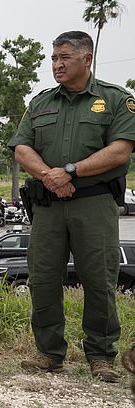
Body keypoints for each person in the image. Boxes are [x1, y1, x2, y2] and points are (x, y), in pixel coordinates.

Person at [9, 31, 135, 383]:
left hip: (94, 204)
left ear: (87, 59)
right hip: (49, 206)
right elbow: (21, 148)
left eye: (64, 57)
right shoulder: (41, 103)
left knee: (99, 280)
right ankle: (49, 352)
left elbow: (120, 150)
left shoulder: (115, 100)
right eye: (53, 58)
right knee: (44, 278)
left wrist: (71, 172)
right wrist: (50, 177)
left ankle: (101, 355)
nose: (57, 64)